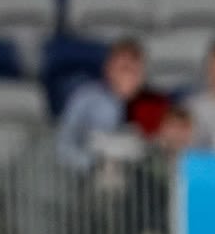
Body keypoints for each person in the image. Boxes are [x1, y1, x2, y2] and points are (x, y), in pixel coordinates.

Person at [56, 38, 170, 170]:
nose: (128, 76)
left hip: (141, 180)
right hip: (88, 179)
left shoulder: (155, 103)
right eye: (124, 68)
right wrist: (93, 165)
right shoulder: (86, 98)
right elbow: (64, 145)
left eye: (135, 70)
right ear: (108, 69)